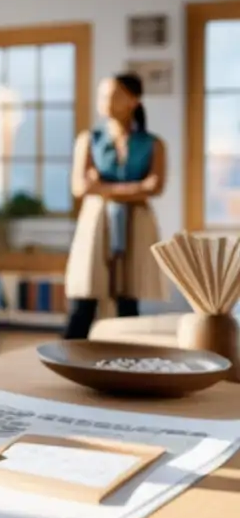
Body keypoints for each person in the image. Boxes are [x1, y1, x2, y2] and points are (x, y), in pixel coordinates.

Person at [63, 72, 169, 340]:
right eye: (103, 95)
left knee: (128, 298)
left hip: (136, 224)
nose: (105, 101)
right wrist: (134, 189)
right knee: (85, 299)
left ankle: (128, 359)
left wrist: (102, 187)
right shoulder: (89, 140)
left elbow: (155, 186)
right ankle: (69, 355)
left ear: (133, 100)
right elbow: (80, 187)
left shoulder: (153, 144)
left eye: (114, 95)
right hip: (97, 223)